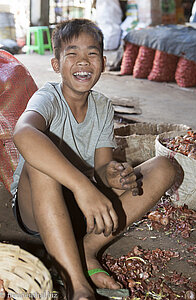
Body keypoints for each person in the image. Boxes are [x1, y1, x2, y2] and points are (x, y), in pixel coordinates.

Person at [11, 19, 176, 300]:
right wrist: (82, 186)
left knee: (165, 167)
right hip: (39, 209)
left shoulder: (101, 105)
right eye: (72, 54)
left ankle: (86, 250)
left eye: (92, 53)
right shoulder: (48, 97)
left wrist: (111, 175)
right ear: (55, 64)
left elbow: (100, 168)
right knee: (42, 160)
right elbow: (23, 133)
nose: (82, 61)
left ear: (103, 61)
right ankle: (78, 285)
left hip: (85, 209)